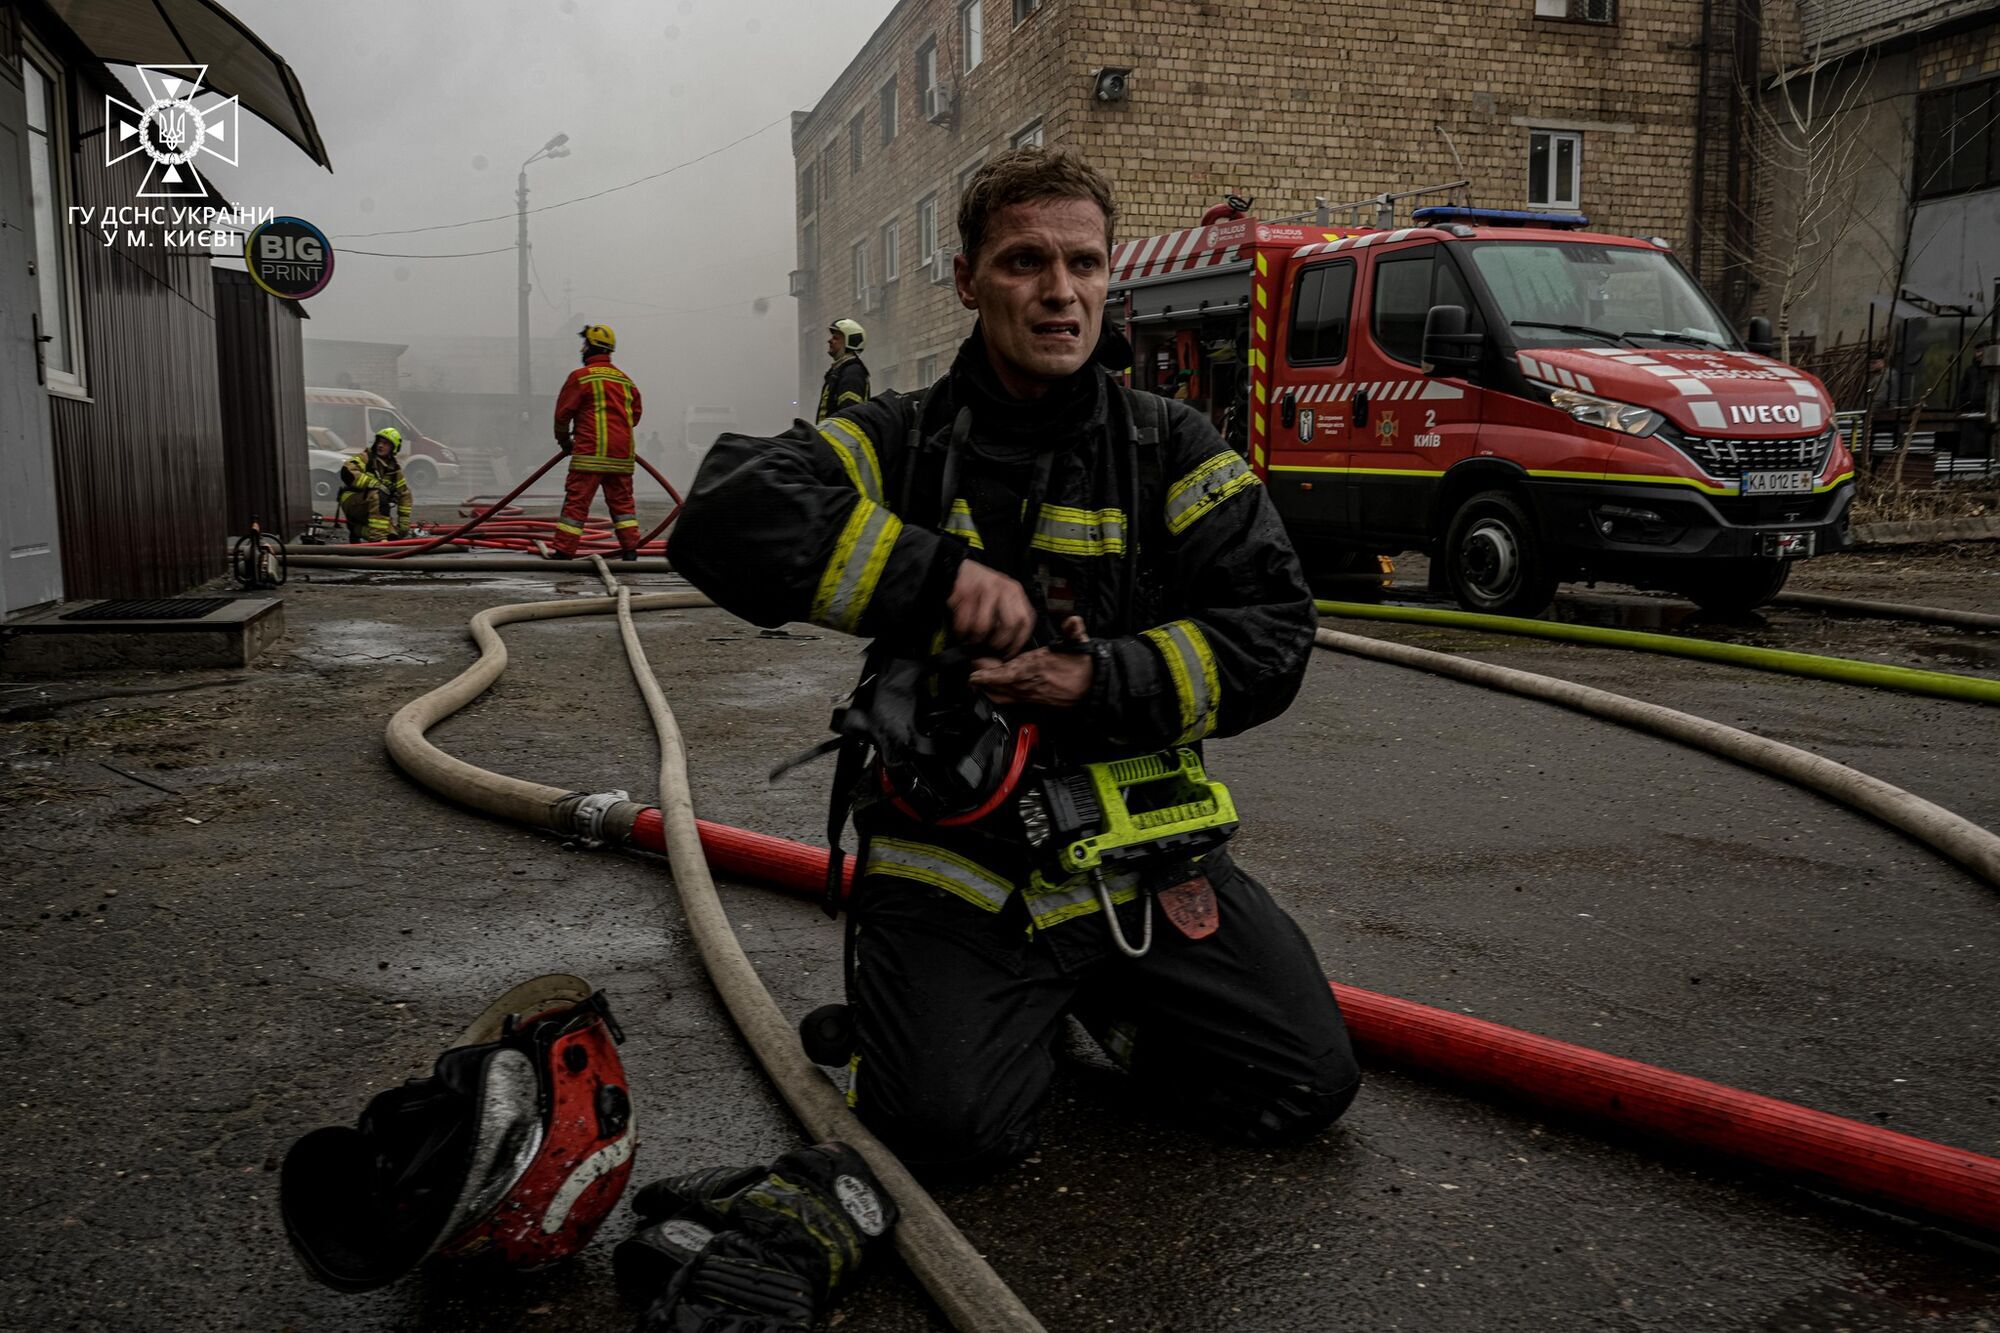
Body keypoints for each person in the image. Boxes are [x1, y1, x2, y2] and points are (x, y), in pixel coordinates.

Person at [672, 148, 1359, 1174]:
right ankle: (950, 1024)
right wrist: (935, 581)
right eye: (1023, 263)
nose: (1058, 293)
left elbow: (1273, 629)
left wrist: (1097, 677)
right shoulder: (899, 439)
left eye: (1083, 264)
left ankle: (1089, 1013)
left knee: (1305, 1082)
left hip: (1137, 854)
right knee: (951, 1136)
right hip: (958, 864)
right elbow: (727, 511)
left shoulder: (1167, 447)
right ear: (964, 279)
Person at [550, 323, 645, 561]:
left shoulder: (580, 378)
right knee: (623, 506)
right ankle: (630, 550)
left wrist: (565, 442)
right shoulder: (626, 381)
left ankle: (564, 551)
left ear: (591, 347)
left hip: (589, 455)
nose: (582, 350)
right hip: (621, 457)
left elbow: (562, 415)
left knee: (577, 504)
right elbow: (635, 415)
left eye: (584, 345)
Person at [337, 427, 413, 543]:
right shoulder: (366, 458)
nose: (380, 445)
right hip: (352, 501)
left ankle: (357, 529)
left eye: (386, 443)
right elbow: (347, 472)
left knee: (393, 535)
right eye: (379, 442)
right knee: (378, 494)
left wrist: (404, 524)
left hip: (373, 507)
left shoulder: (394, 471)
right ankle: (378, 540)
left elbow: (405, 495)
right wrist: (374, 484)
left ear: (394, 447)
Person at [817, 318, 871, 421]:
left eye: (836, 338)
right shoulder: (840, 371)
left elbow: (849, 416)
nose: (829, 340)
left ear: (849, 342)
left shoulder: (852, 373)